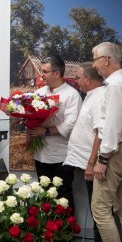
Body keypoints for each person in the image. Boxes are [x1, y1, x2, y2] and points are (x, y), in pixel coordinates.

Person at [29, 55, 82, 212]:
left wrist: (44, 131)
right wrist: (29, 126)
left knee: (62, 197)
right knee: (45, 196)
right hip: (41, 154)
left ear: (57, 73)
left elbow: (70, 125)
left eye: (45, 72)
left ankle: (65, 235)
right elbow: (30, 115)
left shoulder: (72, 94)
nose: (41, 75)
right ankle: (46, 233)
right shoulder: (39, 92)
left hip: (62, 156)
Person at [63, 62, 104, 241]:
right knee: (96, 210)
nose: (76, 80)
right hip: (88, 162)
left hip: (95, 166)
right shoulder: (90, 94)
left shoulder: (100, 96)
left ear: (87, 79)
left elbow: (100, 133)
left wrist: (91, 163)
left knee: (100, 212)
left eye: (78, 77)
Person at [91, 42, 122, 242]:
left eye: (94, 59)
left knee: (100, 209)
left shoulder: (115, 85)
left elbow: (112, 125)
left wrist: (102, 159)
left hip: (114, 153)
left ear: (106, 59)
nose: (94, 65)